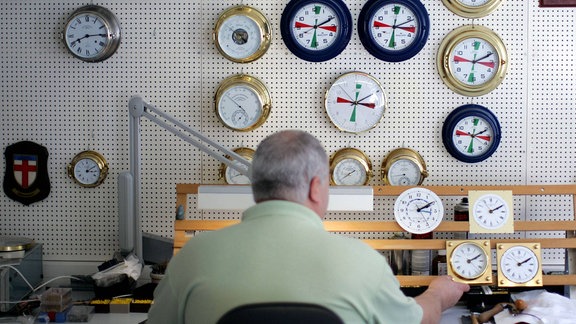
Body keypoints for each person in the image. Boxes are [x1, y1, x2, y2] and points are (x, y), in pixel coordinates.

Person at [147, 129, 469, 324]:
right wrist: (438, 295)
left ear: (256, 185)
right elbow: (415, 320)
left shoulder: (193, 258)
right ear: (316, 187)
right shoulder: (361, 262)